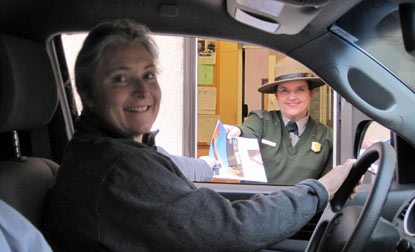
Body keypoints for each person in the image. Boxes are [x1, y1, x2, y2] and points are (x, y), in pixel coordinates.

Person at [42, 19, 359, 252]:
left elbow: (172, 165)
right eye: (120, 78)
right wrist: (320, 189)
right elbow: (232, 229)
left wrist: (209, 165)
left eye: (148, 74)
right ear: (88, 91)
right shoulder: (118, 168)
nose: (142, 91)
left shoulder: (117, 151)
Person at [224, 57, 332, 185]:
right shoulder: (261, 120)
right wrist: (237, 132)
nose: (292, 97)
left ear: (311, 93)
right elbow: (248, 131)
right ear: (276, 95)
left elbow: (328, 186)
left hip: (302, 205)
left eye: (300, 89)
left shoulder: (326, 136)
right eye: (284, 90)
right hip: (258, 203)